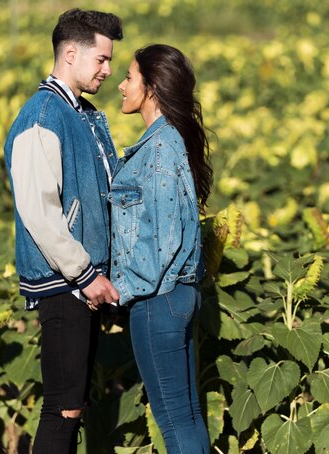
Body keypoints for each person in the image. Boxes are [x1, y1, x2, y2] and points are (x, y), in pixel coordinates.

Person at [3, 8, 122, 453]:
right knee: (63, 408)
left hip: (79, 280)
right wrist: (86, 274)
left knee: (74, 406)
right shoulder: (42, 117)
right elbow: (39, 211)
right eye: (102, 60)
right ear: (71, 53)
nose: (108, 70)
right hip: (64, 283)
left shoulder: (80, 113)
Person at [110, 44, 213, 453]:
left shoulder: (157, 150)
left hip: (158, 300)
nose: (120, 84)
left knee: (173, 425)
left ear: (151, 88)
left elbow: (164, 239)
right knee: (187, 420)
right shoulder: (170, 142)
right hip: (180, 295)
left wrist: (121, 288)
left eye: (130, 77)